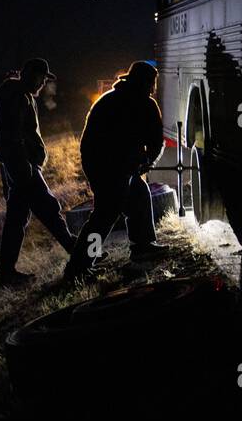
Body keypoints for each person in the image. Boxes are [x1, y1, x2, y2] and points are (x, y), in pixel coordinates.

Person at [63, 61, 170, 281]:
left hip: (102, 165)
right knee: (105, 216)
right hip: (114, 168)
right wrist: (146, 162)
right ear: (147, 82)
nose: (152, 88)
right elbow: (156, 143)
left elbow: (87, 142)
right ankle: (79, 267)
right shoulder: (144, 104)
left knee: (139, 196)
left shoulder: (107, 100)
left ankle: (143, 245)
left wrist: (136, 165)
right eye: (151, 83)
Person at [0, 58, 76, 288]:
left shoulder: (19, 94)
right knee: (49, 208)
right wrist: (27, 167)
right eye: (41, 78)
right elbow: (15, 136)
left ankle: (6, 275)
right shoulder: (17, 96)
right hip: (22, 166)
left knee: (16, 220)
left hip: (19, 166)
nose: (43, 84)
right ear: (30, 75)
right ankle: (80, 254)